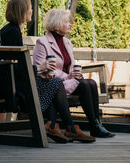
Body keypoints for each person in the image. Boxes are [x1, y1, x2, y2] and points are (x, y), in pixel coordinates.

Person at [0, 0, 95, 143]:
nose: (32, 10)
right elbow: (10, 67)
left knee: (53, 82)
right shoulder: (12, 32)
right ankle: (65, 127)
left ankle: (55, 125)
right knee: (54, 83)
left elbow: (16, 66)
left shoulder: (13, 30)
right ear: (23, 11)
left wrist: (39, 72)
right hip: (2, 86)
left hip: (10, 82)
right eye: (30, 8)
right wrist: (39, 70)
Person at [33, 8, 115, 138]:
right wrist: (68, 76)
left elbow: (70, 65)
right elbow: (42, 68)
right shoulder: (42, 42)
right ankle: (93, 126)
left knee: (91, 83)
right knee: (84, 85)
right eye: (66, 22)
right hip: (53, 84)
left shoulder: (67, 42)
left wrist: (75, 72)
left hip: (67, 81)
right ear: (57, 24)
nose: (70, 24)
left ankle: (96, 124)